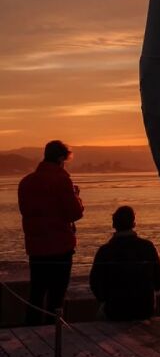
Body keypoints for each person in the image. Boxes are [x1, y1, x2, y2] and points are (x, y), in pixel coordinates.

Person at [17, 139, 84, 325]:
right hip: (60, 246)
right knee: (57, 295)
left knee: (36, 292)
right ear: (61, 158)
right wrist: (76, 196)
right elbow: (75, 213)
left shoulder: (26, 182)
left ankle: (31, 328)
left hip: (36, 247)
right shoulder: (62, 181)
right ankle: (53, 331)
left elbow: (25, 211)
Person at [89, 205, 160, 320]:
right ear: (133, 223)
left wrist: (107, 298)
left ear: (114, 224)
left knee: (97, 317)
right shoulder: (148, 247)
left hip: (115, 309)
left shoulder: (105, 251)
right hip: (145, 309)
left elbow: (94, 283)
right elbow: (159, 281)